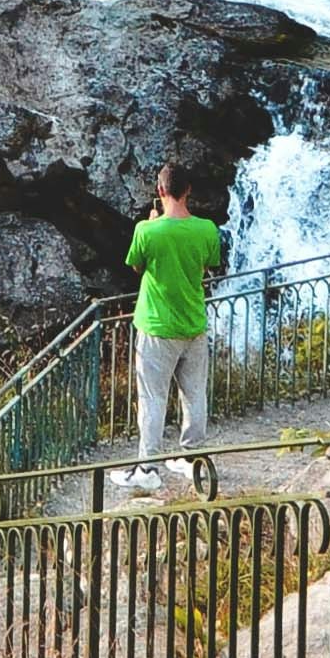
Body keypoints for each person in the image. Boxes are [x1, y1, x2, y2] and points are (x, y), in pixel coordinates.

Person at [123, 159, 225, 487]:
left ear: (160, 190)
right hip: (194, 324)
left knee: (153, 398)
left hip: (156, 328)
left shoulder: (146, 230)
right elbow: (209, 265)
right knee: (194, 394)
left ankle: (148, 469)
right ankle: (191, 458)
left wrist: (152, 223)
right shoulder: (208, 229)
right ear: (189, 191)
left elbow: (137, 267)